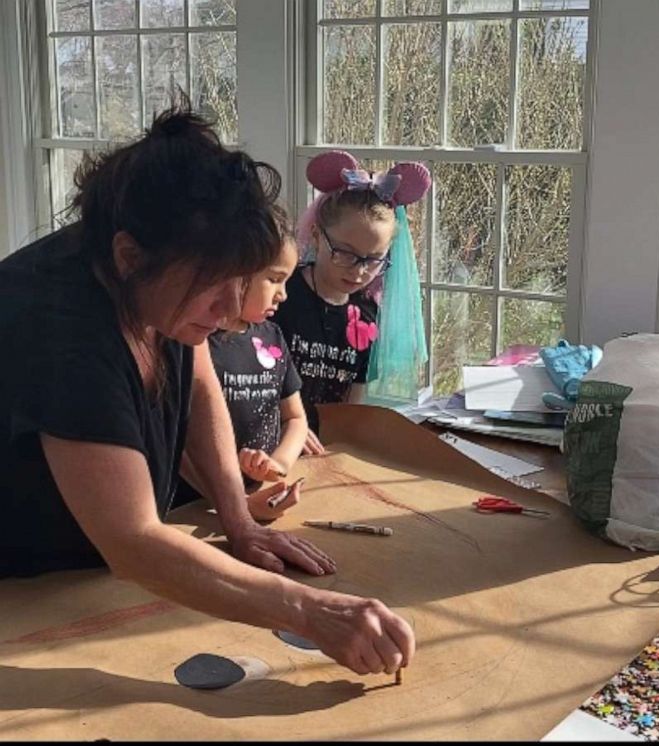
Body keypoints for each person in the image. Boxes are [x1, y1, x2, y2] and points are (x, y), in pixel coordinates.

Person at [0, 103, 414, 678]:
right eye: (212, 290)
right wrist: (313, 612)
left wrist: (237, 517)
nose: (227, 313)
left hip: (85, 573)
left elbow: (196, 376)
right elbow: (134, 541)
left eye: (238, 283)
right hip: (21, 589)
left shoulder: (159, 268)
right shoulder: (60, 326)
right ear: (128, 257)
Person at [274, 150, 430, 454]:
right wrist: (287, 426)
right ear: (318, 236)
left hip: (326, 450)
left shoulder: (367, 314)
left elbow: (354, 395)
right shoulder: (281, 296)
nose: (359, 271)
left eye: (373, 260)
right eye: (345, 253)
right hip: (273, 443)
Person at [180, 211, 308, 522]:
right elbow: (180, 444)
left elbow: (295, 417)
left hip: (259, 498)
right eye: (275, 279)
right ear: (235, 274)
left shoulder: (273, 337)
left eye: (287, 281)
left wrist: (279, 464)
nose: (284, 294)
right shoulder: (195, 342)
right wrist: (234, 503)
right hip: (196, 508)